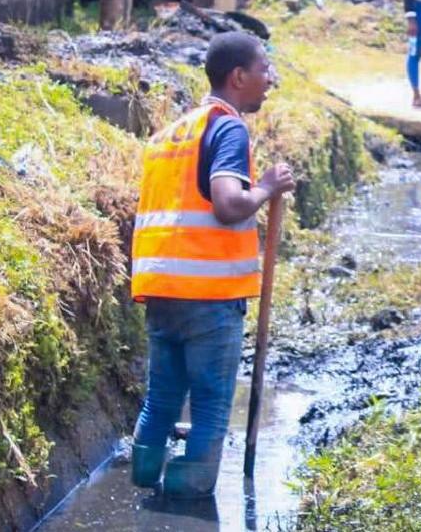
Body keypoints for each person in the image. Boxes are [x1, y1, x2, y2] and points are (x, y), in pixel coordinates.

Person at [129, 32, 296, 497]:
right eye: (264, 70)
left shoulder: (171, 135)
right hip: (208, 297)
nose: (270, 80)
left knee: (161, 397)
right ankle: (190, 502)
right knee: (209, 405)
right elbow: (227, 203)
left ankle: (145, 482)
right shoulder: (227, 128)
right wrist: (266, 187)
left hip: (161, 290)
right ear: (238, 77)